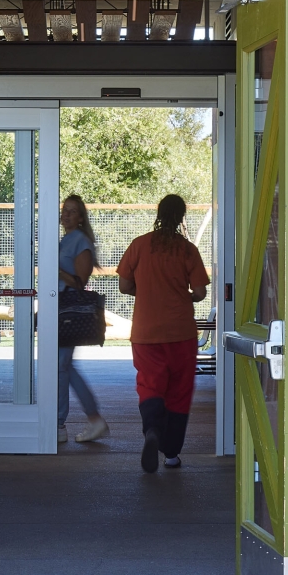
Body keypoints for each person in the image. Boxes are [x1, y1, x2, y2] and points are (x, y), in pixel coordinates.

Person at [116, 194, 210, 473]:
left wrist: (143, 291)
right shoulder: (188, 250)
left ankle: (152, 430)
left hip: (146, 332)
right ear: (181, 217)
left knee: (150, 385)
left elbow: (123, 286)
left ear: (158, 213)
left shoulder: (139, 245)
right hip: (181, 332)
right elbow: (201, 292)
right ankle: (171, 453)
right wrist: (186, 296)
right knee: (179, 391)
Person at [57, 195, 107, 443]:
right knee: (64, 366)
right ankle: (94, 419)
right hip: (56, 309)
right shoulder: (65, 239)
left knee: (60, 366)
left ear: (80, 217)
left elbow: (80, 282)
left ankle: (58, 424)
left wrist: (54, 270)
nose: (65, 214)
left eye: (72, 211)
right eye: (64, 210)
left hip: (67, 312)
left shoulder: (81, 242)